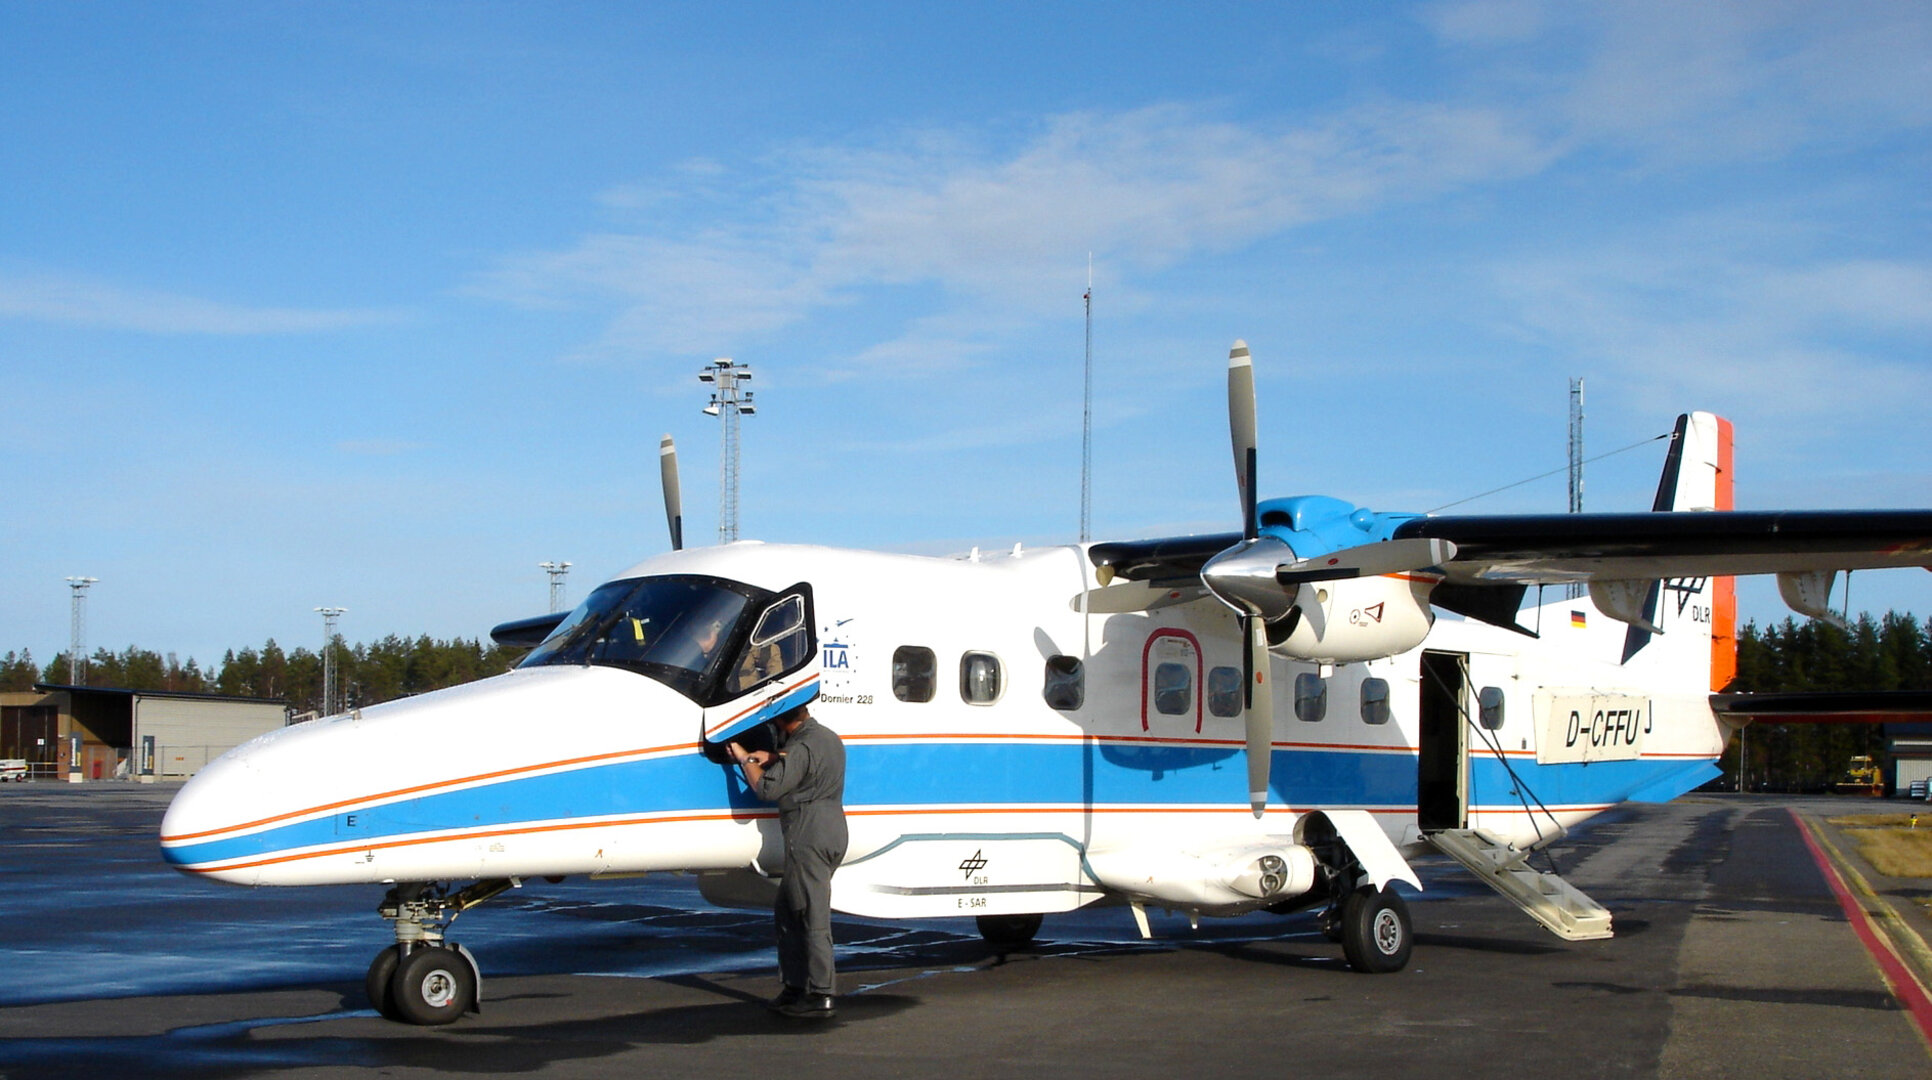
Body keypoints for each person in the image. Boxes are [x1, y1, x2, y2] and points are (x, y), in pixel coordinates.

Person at [728, 703, 847, 1019]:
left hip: (809, 831)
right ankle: (795, 986)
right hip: (833, 826)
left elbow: (767, 788)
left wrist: (745, 759)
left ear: (783, 722)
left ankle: (821, 993)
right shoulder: (827, 738)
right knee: (789, 908)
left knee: (809, 912)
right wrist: (775, 758)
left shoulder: (800, 746)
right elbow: (805, 766)